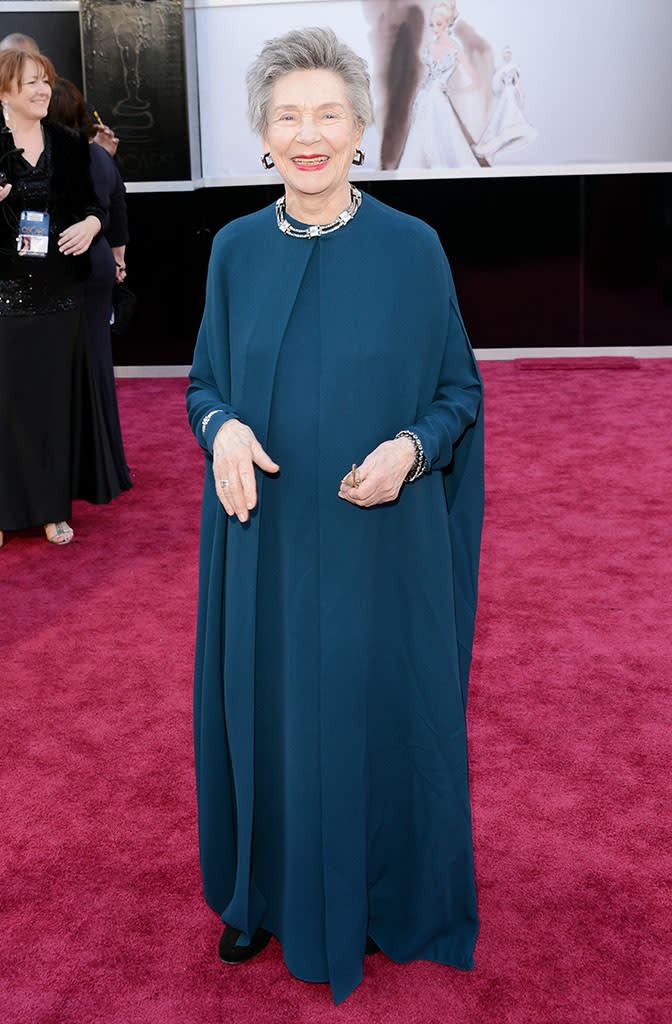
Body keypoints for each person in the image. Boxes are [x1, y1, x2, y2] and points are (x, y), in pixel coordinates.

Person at [186, 27, 484, 1004]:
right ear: (262, 136)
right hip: (265, 541)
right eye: (287, 117)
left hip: (376, 545)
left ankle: (381, 892)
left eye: (327, 115)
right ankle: (260, 895)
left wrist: (409, 449)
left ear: (360, 127)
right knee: (265, 711)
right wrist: (221, 427)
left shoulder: (413, 248)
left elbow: (458, 393)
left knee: (372, 716)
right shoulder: (233, 252)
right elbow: (203, 386)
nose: (307, 135)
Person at [0, 49, 122, 548]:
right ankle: (5, 513)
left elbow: (98, 206)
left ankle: (53, 510)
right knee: (7, 408)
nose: (41, 90)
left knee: (53, 406)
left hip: (59, 297)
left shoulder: (72, 144)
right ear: (5, 93)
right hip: (4, 296)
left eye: (44, 81)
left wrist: (90, 224)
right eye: (29, 82)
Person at [48, 76, 132, 492]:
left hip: (65, 268)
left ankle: (71, 472)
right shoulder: (99, 156)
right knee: (98, 365)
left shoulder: (55, 154)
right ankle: (107, 468)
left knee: (59, 371)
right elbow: (117, 208)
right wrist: (119, 260)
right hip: (98, 266)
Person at [399, 2, 481, 169]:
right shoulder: (429, 47)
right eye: (432, 24)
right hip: (424, 96)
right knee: (420, 135)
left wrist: (454, 91)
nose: (435, 28)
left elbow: (475, 80)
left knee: (444, 135)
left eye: (439, 24)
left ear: (448, 23)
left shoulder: (454, 47)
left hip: (439, 99)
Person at [474, 45, 537, 162]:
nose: (506, 56)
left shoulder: (514, 67)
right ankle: (503, 133)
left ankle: (512, 129)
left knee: (512, 110)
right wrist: (503, 84)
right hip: (506, 93)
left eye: (508, 53)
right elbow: (502, 86)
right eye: (505, 54)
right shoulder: (501, 70)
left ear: (510, 55)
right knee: (503, 113)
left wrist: (522, 93)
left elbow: (517, 83)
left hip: (511, 92)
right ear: (503, 56)